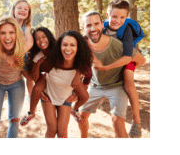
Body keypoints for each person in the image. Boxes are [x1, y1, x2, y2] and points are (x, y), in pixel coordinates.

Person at [78, 11, 144, 139]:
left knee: (117, 121)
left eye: (96, 23)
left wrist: (127, 70)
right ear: (83, 28)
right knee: (81, 116)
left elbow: (141, 60)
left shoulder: (117, 44)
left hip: (116, 85)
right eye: (88, 25)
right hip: (95, 85)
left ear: (103, 25)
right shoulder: (81, 43)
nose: (93, 28)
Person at [31, 30, 93, 139]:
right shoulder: (52, 61)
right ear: (60, 46)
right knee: (52, 129)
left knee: (62, 132)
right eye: (64, 45)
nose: (68, 49)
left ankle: (75, 109)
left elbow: (88, 76)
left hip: (65, 97)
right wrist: (40, 89)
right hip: (48, 95)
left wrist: (77, 93)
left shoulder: (81, 64)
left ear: (78, 48)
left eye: (72, 45)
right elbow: (37, 78)